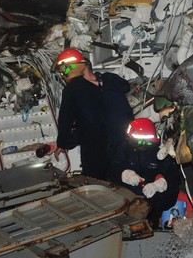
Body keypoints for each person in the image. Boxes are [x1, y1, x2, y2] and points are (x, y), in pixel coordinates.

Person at [53, 47, 133, 181]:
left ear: (84, 67)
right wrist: (62, 143)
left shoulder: (106, 80)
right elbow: (86, 124)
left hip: (120, 142)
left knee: (119, 180)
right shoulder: (80, 90)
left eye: (66, 69)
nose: (64, 74)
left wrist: (100, 84)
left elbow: (125, 86)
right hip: (100, 146)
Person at [112, 117, 181, 227]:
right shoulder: (124, 149)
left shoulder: (161, 155)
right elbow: (112, 170)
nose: (132, 144)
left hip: (153, 202)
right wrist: (124, 174)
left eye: (135, 142)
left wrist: (159, 185)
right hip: (128, 200)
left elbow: (173, 180)